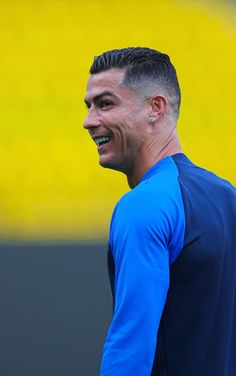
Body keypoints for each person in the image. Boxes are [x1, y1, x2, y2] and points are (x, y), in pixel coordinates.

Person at [83, 47, 236, 376]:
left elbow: (131, 347)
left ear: (155, 108)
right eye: (89, 106)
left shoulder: (144, 205)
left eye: (105, 103)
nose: (89, 121)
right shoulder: (229, 196)